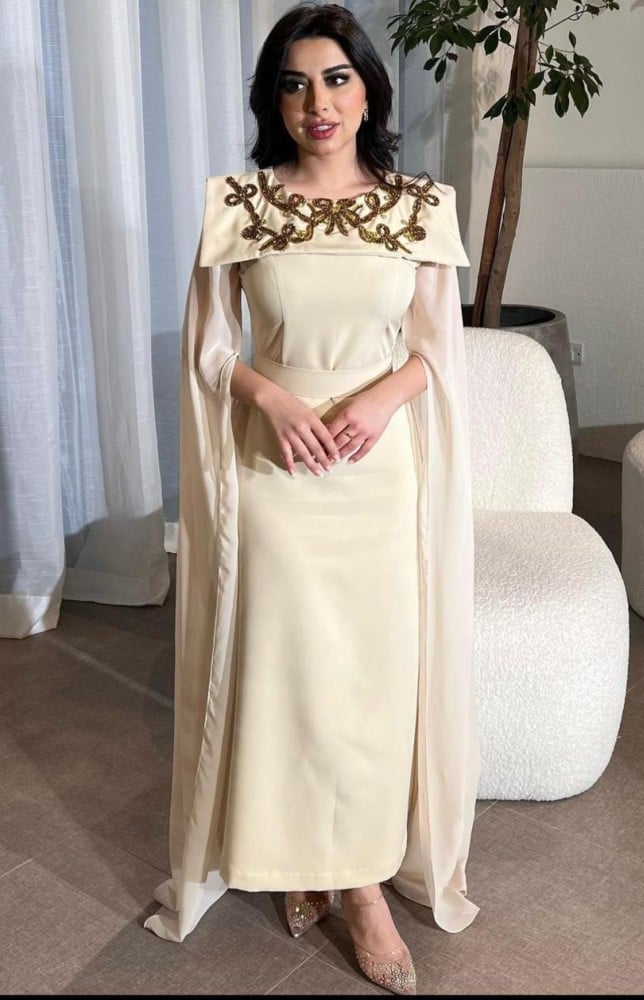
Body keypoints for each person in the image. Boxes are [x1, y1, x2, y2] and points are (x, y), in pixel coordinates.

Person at [144, 2, 480, 994]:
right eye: (293, 84)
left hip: (376, 476)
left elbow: (437, 351)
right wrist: (270, 397)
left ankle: (359, 875)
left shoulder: (420, 205)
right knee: (290, 679)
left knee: (370, 686)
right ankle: (313, 865)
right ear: (273, 102)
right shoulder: (240, 204)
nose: (317, 102)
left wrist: (380, 399)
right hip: (277, 473)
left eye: (336, 78)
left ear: (369, 90)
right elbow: (210, 349)